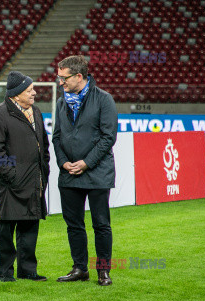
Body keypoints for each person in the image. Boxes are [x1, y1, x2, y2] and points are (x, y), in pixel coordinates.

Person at [52, 55, 118, 286]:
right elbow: (57, 137)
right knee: (74, 224)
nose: (60, 83)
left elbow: (108, 137)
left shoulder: (104, 99)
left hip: (97, 172)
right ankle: (80, 268)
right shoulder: (61, 102)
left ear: (79, 76)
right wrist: (63, 163)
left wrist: (86, 163)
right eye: (59, 78)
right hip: (68, 173)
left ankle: (103, 270)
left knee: (101, 224)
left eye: (64, 78)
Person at [0, 71, 50, 282]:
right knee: (7, 229)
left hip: (34, 180)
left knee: (30, 226)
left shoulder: (37, 112)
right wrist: (13, 176)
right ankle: (5, 272)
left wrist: (44, 169)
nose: (34, 93)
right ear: (16, 95)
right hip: (9, 184)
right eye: (29, 90)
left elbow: (44, 145)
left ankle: (27, 270)